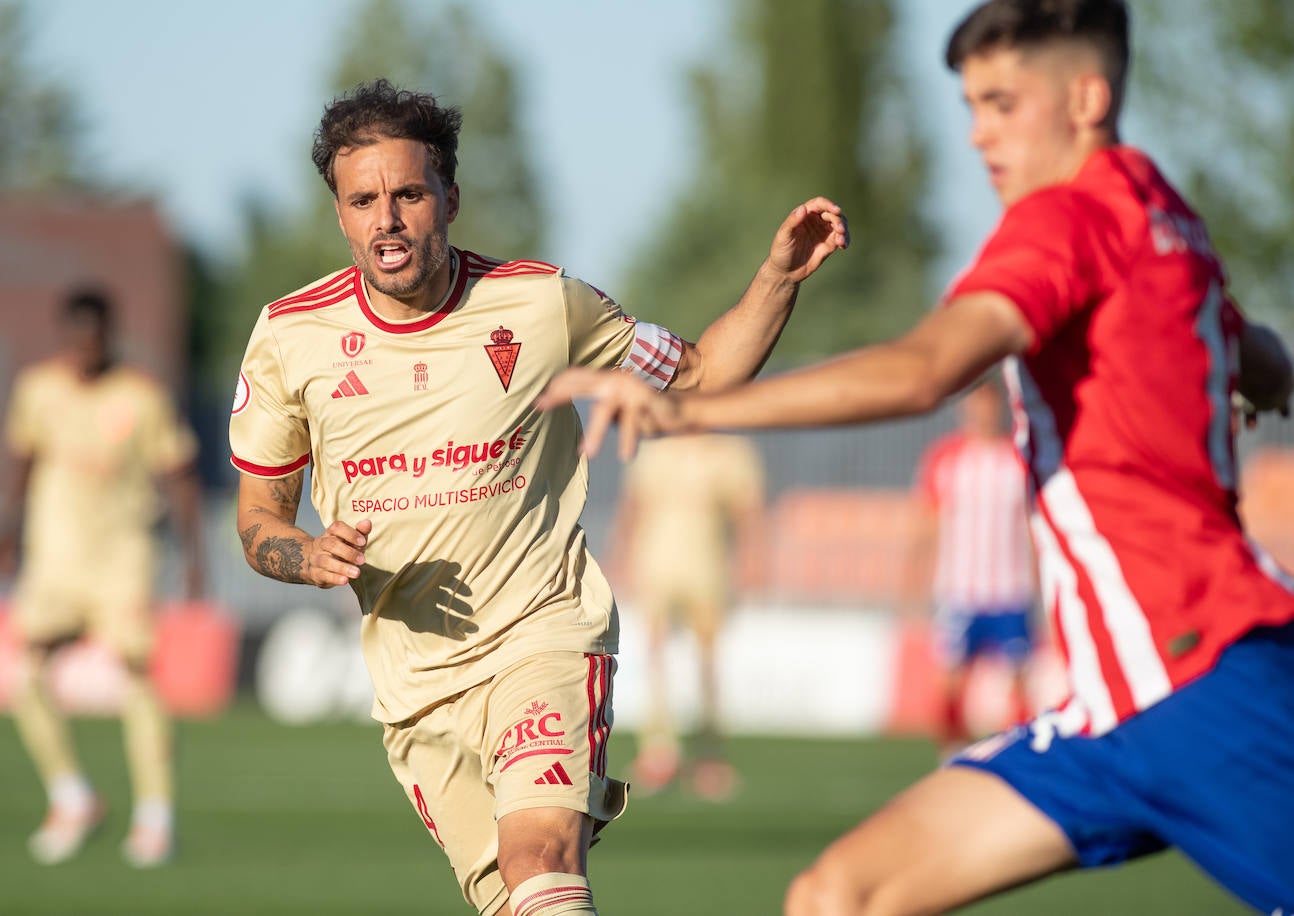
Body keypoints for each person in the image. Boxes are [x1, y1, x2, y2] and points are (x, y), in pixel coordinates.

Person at [537, 1, 1294, 911]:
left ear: (1087, 97)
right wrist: (1260, 382)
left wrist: (690, 413)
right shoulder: (1163, 213)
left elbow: (926, 368)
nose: (978, 134)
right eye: (970, 105)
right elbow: (1257, 352)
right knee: (840, 895)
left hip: (1195, 681)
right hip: (1113, 712)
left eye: (1003, 103)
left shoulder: (1066, 219)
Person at [227, 79, 847, 916]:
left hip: (545, 635)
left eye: (409, 194)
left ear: (450, 195)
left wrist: (778, 277)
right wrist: (305, 555)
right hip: (418, 688)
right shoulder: (289, 336)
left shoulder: (542, 304)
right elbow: (258, 520)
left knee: (540, 857)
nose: (388, 220)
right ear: (339, 213)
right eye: (363, 200)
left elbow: (701, 374)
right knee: (521, 902)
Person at [0, 288, 204, 868]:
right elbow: (24, 460)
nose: (82, 349)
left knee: (136, 676)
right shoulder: (38, 390)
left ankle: (156, 818)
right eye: (73, 338)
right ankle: (71, 795)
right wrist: (6, 531)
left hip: (122, 561)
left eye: (93, 338)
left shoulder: (142, 397)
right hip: (55, 560)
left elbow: (178, 474)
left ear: (110, 336)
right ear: (63, 338)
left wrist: (193, 555)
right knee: (23, 671)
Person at [613, 434, 765, 800]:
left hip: (708, 568)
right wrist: (620, 555)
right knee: (655, 658)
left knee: (708, 663)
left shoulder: (731, 451)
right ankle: (659, 751)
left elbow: (748, 512)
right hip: (656, 565)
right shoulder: (657, 448)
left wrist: (751, 560)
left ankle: (709, 754)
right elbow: (633, 506)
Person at [901, 379, 1037, 758]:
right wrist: (912, 588)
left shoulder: (1018, 457)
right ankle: (951, 757)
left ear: (999, 408)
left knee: (1021, 681)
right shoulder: (945, 459)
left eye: (988, 404)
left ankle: (1021, 758)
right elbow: (926, 526)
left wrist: (1042, 589)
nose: (981, 412)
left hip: (1010, 589)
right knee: (949, 681)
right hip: (959, 591)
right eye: (974, 404)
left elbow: (1033, 526)